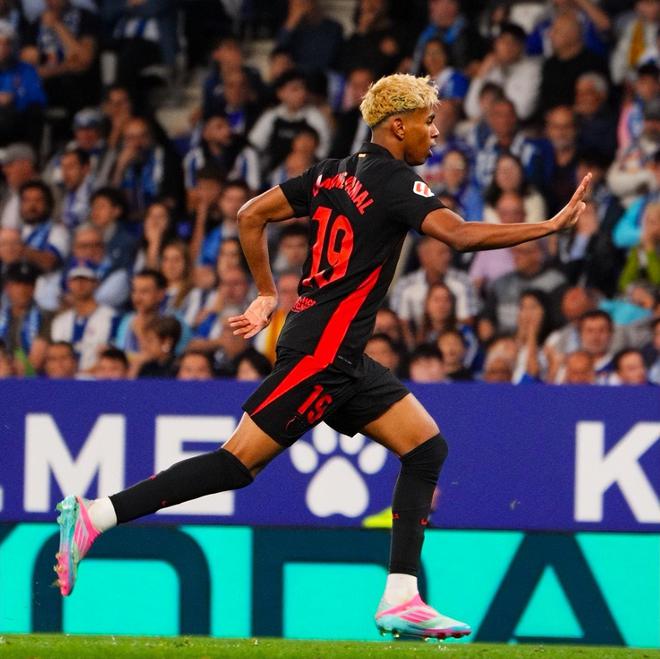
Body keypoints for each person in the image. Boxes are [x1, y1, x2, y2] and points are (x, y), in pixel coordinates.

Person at [54, 73, 590, 640]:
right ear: (397, 126)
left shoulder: (332, 171)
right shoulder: (394, 179)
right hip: (323, 354)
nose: (435, 133)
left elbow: (250, 215)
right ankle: (96, 515)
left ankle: (402, 598)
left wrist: (268, 293)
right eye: (428, 122)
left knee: (425, 447)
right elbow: (457, 236)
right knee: (237, 464)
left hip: (337, 352)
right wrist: (549, 226)